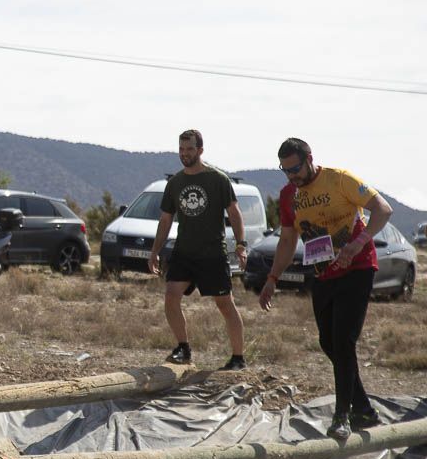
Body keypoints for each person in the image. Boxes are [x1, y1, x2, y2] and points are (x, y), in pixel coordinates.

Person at [259, 137, 393, 440]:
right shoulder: (288, 195)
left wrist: (359, 242)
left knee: (343, 341)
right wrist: (272, 278)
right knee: (328, 343)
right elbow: (288, 240)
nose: (293, 177)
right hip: (322, 272)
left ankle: (342, 415)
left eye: (296, 169)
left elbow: (383, 210)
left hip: (357, 268)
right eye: (286, 171)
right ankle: (363, 409)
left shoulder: (340, 179)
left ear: (309, 158)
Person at [148, 129, 248, 371]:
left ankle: (238, 358)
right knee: (171, 295)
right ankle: (183, 348)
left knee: (225, 303)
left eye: (189, 149)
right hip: (184, 251)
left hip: (212, 253)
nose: (184, 154)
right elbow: (165, 219)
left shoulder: (218, 179)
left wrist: (241, 245)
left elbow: (234, 213)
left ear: (200, 150)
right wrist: (155, 251)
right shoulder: (175, 183)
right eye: (181, 150)